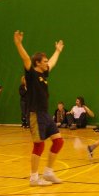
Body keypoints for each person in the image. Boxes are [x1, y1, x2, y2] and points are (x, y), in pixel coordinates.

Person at [14, 31, 65, 186]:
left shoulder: (44, 74)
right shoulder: (31, 74)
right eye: (44, 61)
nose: (47, 63)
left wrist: (57, 51)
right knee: (39, 144)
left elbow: (53, 63)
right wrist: (18, 44)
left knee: (58, 141)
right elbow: (25, 58)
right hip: (35, 114)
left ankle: (48, 172)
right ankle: (34, 178)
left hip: (45, 114)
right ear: (37, 63)